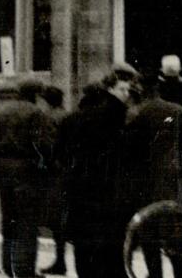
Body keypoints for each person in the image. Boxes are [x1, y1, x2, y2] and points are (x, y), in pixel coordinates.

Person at [121, 70, 182, 278]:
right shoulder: (176, 110)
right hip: (170, 174)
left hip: (143, 176)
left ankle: (155, 273)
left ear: (139, 89)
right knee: (173, 224)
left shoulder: (134, 113)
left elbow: (128, 148)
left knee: (147, 227)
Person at [66, 68, 136, 278]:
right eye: (122, 89)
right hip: (106, 187)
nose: (126, 94)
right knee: (109, 241)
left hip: (81, 185)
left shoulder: (75, 118)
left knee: (85, 241)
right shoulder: (115, 113)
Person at [0, 79, 55, 278]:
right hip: (26, 170)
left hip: (4, 170)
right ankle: (23, 268)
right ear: (35, 95)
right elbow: (43, 145)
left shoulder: (3, 112)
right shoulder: (36, 114)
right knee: (27, 221)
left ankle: (8, 264)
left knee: (8, 219)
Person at [40, 84, 69, 276]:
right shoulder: (67, 115)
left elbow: (47, 146)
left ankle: (60, 261)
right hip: (68, 171)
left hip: (55, 174)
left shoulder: (48, 117)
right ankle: (60, 260)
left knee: (56, 219)